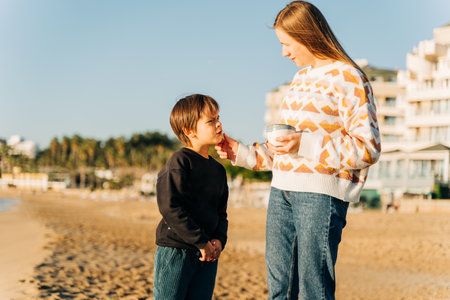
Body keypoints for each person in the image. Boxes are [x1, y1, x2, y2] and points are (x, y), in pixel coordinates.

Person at [215, 1, 381, 299]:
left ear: (307, 35)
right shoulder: (300, 79)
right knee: (278, 290)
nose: (284, 52)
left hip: (321, 196)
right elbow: (285, 146)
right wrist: (241, 152)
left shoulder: (348, 77)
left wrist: (305, 143)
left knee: (312, 291)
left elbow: (368, 147)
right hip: (281, 191)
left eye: (287, 43)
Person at [153, 94, 228, 300]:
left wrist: (218, 240)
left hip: (208, 254)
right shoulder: (180, 161)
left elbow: (221, 212)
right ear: (189, 130)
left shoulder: (218, 170)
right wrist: (200, 241)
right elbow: (170, 208)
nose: (219, 124)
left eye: (218, 118)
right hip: (176, 250)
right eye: (211, 121)